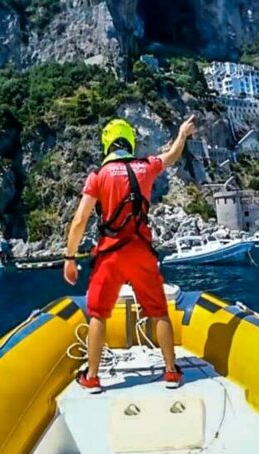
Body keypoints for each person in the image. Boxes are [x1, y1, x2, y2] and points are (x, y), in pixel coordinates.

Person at [63, 115, 198, 393]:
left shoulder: (97, 177)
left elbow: (79, 221)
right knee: (159, 312)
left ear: (107, 145)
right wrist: (182, 134)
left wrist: (70, 258)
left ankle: (92, 377)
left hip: (110, 255)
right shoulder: (146, 166)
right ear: (130, 141)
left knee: (98, 315)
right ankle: (171, 372)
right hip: (141, 253)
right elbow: (171, 156)